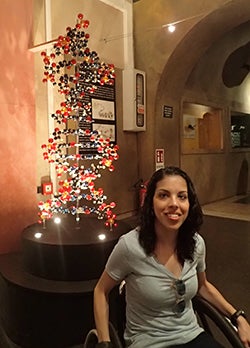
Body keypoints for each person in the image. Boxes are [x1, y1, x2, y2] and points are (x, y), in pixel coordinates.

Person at [93, 166, 250, 348]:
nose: (174, 203)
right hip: (148, 341)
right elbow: (101, 291)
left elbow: (203, 286)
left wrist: (238, 317)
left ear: (189, 203)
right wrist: (104, 342)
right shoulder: (130, 246)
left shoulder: (196, 244)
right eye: (164, 195)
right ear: (150, 202)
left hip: (191, 335)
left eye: (181, 196)